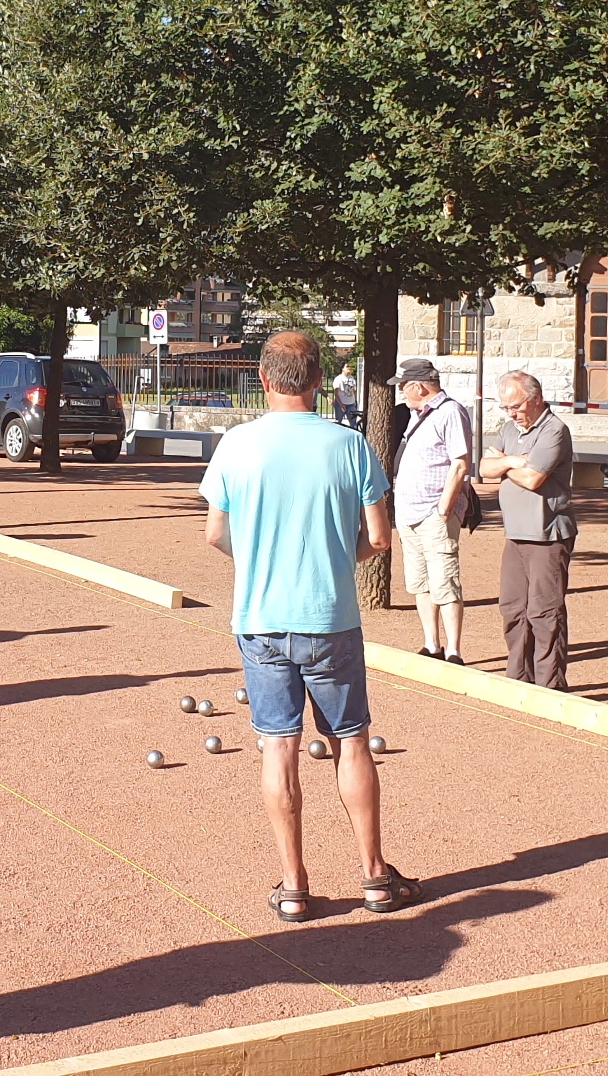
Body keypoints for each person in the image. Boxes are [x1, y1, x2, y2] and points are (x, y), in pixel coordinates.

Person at [201, 331, 419, 923]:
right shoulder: (350, 445)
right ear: (319, 381)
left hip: (260, 618)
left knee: (279, 744)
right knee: (352, 740)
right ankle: (375, 876)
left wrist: (258, 565)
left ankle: (294, 883)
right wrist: (334, 561)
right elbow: (378, 538)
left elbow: (216, 535)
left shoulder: (236, 444)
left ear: (265, 380)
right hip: (330, 618)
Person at [479, 370, 576, 688]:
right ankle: (518, 679)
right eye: (505, 408)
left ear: (535, 400)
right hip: (515, 534)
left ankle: (550, 685)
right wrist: (512, 462)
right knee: (512, 608)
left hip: (547, 534)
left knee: (544, 612)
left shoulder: (554, 430)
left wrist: (505, 463)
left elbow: (535, 479)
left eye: (516, 407)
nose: (511, 414)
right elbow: (484, 468)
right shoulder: (509, 429)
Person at [391, 357, 472, 663]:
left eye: (403, 386)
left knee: (444, 579)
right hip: (410, 512)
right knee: (419, 580)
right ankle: (432, 644)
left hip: (433, 513)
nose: (401, 392)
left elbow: (460, 463)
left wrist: (443, 509)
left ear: (418, 386)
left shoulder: (450, 412)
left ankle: (453, 649)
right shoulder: (416, 414)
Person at [332, 363, 359, 429]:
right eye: (347, 367)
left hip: (351, 404)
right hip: (341, 404)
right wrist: (341, 404)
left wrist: (355, 401)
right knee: (338, 422)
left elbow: (354, 390)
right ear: (342, 369)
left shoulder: (352, 378)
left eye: (349, 366)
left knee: (353, 423)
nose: (349, 368)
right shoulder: (338, 379)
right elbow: (336, 393)